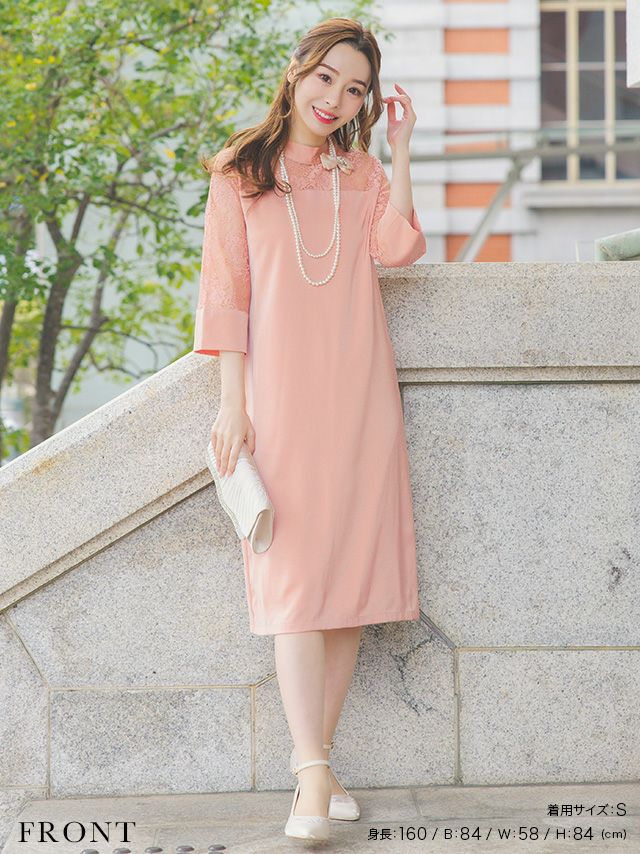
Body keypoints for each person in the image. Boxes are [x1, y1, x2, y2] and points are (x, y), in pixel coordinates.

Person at [193, 16, 427, 842]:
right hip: (280, 402)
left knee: (348, 591)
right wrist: (234, 403)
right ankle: (313, 775)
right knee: (294, 589)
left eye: (355, 89)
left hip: (360, 399)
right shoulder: (241, 172)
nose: (337, 98)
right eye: (327, 77)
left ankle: (315, 775)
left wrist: (400, 152)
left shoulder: (358, 172)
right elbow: (225, 293)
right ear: (296, 71)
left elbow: (397, 249)